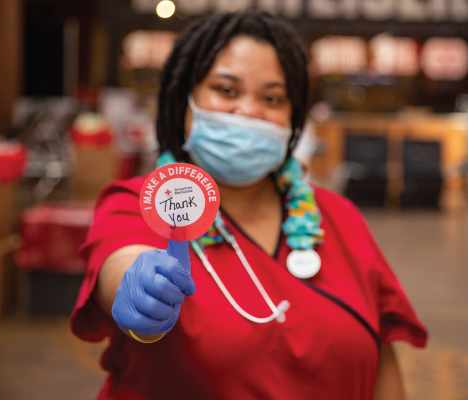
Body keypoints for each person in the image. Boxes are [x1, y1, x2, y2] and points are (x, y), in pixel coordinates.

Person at [71, 11, 427, 400]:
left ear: (293, 118)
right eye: (226, 90)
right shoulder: (141, 204)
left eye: (272, 98)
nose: (249, 110)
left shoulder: (339, 219)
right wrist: (136, 284)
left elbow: (382, 360)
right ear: (183, 100)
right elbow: (119, 260)